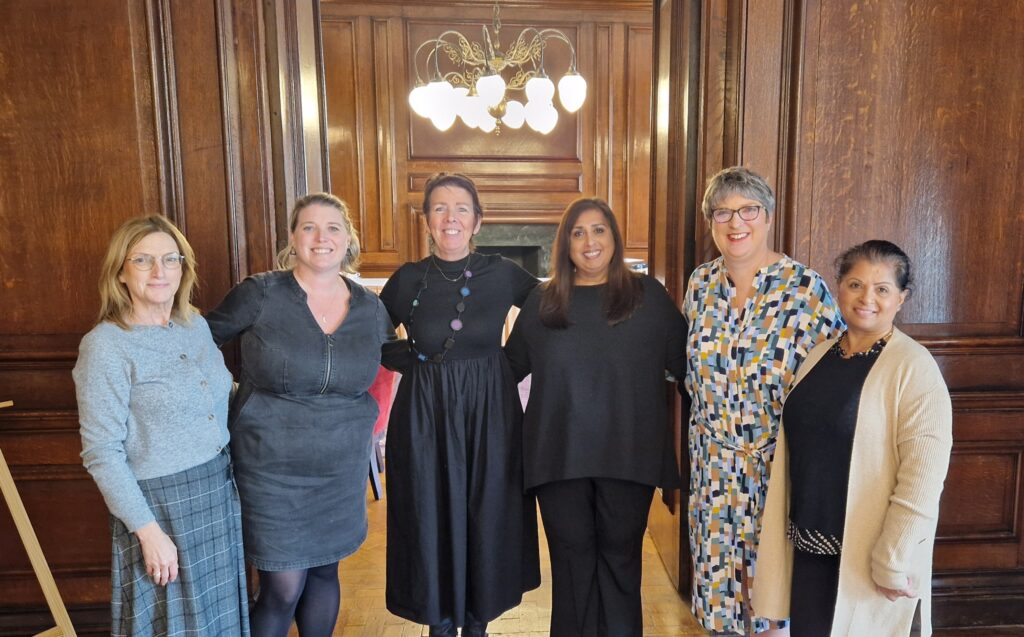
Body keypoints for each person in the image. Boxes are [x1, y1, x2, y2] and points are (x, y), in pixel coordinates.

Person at [206, 193, 393, 637]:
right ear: (292, 237)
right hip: (271, 471)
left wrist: (376, 426)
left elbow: (390, 364)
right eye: (309, 227)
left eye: (332, 227)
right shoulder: (260, 294)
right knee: (282, 588)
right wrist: (221, 402)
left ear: (347, 239)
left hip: (339, 469)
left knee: (326, 574)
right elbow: (198, 340)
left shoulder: (370, 308)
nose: (321, 237)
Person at [504, 197, 686, 636]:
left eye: (599, 230)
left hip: (629, 455)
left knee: (621, 563)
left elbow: (691, 368)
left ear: (615, 238)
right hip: (557, 457)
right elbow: (504, 372)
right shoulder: (543, 302)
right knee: (571, 565)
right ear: (565, 243)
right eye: (578, 232)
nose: (589, 241)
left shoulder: (649, 297)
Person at [753, 240, 953, 636]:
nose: (867, 298)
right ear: (839, 288)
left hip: (866, 555)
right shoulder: (821, 355)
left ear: (901, 298)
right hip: (810, 543)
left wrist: (892, 559)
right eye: (855, 284)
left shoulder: (914, 368)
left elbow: (924, 478)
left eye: (882, 289)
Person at [379, 172, 540, 637]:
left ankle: (478, 621)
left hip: (490, 409)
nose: (451, 217)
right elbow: (369, 330)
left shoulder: (503, 271)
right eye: (440, 208)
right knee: (430, 509)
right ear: (427, 220)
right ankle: (440, 620)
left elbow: (549, 307)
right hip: (424, 412)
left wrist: (512, 364)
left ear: (477, 221)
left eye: (461, 208)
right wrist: (404, 357)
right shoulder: (408, 277)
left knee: (486, 508)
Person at [684, 166, 844, 635]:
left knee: (772, 602)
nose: (736, 223)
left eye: (748, 210)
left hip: (778, 469)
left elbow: (834, 381)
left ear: (768, 216)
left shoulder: (805, 289)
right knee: (718, 597)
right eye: (723, 212)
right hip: (713, 467)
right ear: (711, 222)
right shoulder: (700, 286)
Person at [73, 215, 249, 636]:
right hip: (158, 508)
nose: (160, 271)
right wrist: (148, 532)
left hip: (217, 491)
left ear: (183, 268)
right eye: (143, 260)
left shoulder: (194, 325)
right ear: (120, 271)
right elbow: (102, 453)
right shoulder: (105, 346)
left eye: (171, 259)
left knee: (218, 622)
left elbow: (218, 394)